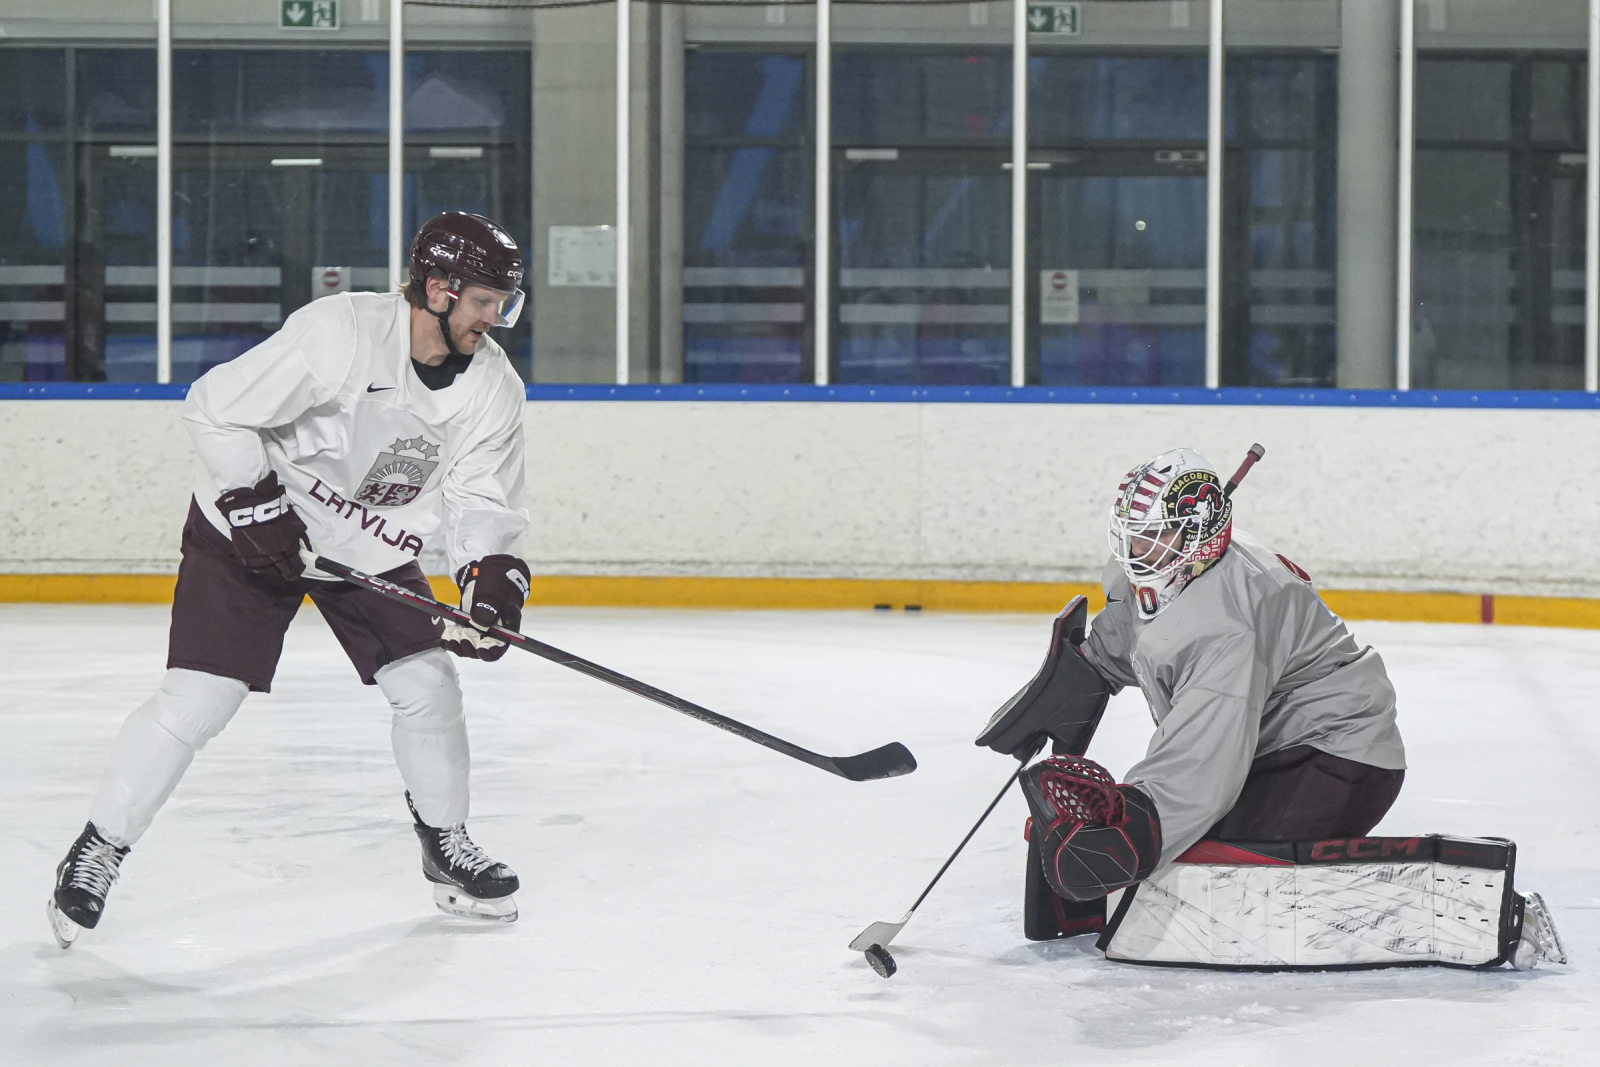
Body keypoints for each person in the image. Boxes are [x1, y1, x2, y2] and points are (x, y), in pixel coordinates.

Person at [48, 211, 535, 948]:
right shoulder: (342, 334)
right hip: (255, 529)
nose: (494, 318)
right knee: (199, 698)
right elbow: (214, 409)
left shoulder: (494, 385)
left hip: (364, 548)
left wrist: (487, 582)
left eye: (503, 302)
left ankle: (446, 844)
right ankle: (98, 848)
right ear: (437, 288)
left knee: (429, 685)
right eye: (484, 301)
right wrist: (256, 504)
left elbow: (483, 498)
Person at [1013, 447, 1408, 935]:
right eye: (1132, 534)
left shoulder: (1227, 623)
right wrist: (1081, 675)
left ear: (1199, 535)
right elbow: (1139, 626)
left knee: (1223, 876)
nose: (1136, 549)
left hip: (1337, 755)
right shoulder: (1169, 565)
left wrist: (1135, 828)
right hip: (1261, 747)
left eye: (1154, 535)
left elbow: (1203, 758)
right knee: (1188, 857)